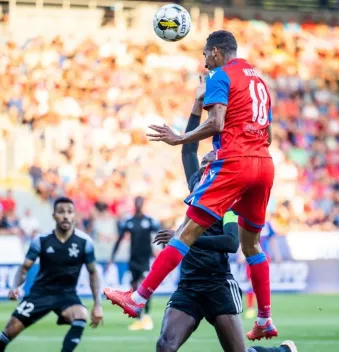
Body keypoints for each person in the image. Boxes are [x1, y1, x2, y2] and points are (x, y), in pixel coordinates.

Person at [105, 30, 277, 341]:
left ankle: (138, 299)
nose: (204, 60)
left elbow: (218, 123)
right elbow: (268, 135)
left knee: (185, 232)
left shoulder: (221, 75)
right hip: (264, 164)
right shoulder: (259, 82)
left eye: (204, 55)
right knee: (252, 245)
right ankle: (264, 318)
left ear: (214, 53)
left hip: (235, 163)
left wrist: (179, 137)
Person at [153, 77, 245, 351]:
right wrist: (197, 102)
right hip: (189, 284)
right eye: (205, 158)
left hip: (218, 284)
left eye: (212, 157)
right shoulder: (196, 185)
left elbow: (231, 243)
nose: (205, 158)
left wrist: (185, 238)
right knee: (165, 346)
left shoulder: (230, 201)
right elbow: (188, 148)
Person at [0, 197, 103, 352]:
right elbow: (24, 269)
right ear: (54, 216)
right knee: (9, 331)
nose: (65, 215)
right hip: (40, 293)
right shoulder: (41, 241)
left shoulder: (85, 242)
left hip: (66, 295)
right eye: (61, 212)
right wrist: (15, 287)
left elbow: (93, 273)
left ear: (74, 215)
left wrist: (97, 304)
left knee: (81, 314)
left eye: (70, 212)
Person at [109, 196, 160, 331]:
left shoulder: (149, 221)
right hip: (133, 259)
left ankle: (147, 316)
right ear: (134, 204)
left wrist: (164, 249)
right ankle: (138, 318)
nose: (138, 204)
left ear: (143, 204)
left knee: (146, 286)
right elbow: (120, 239)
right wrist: (112, 257)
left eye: (140, 202)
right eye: (136, 202)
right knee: (134, 289)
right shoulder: (129, 221)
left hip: (145, 259)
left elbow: (160, 235)